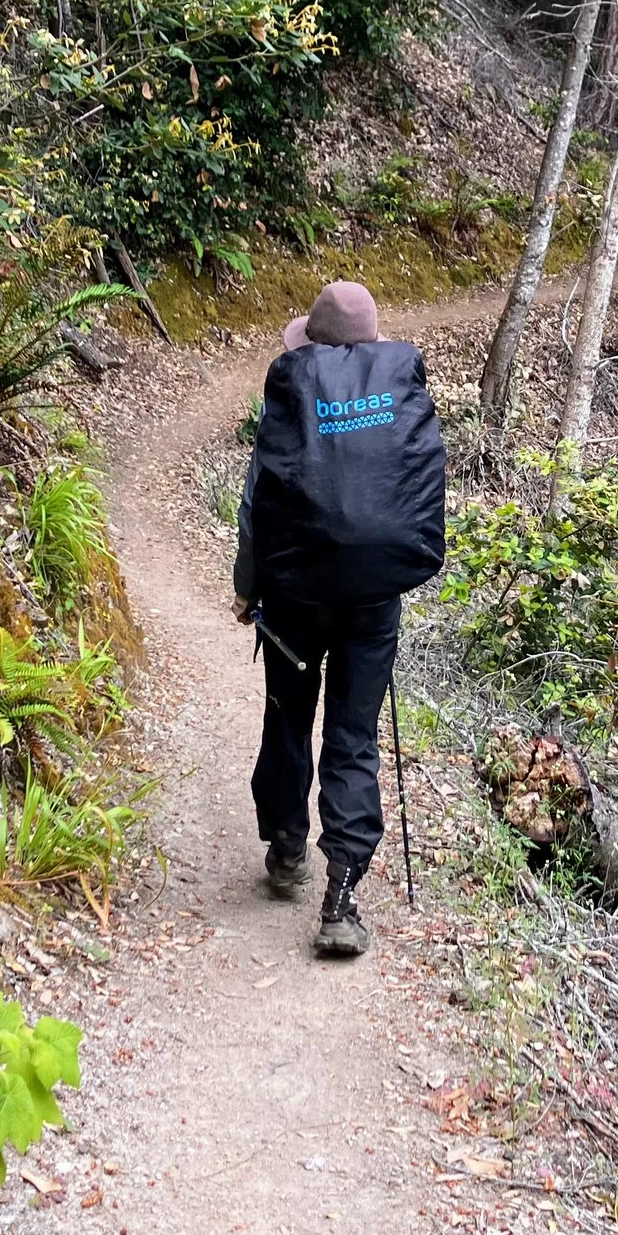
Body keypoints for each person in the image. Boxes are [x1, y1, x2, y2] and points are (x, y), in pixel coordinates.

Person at [231, 281, 446, 956]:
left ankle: (289, 843)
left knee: (289, 715)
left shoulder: (294, 396)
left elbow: (258, 502)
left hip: (296, 597)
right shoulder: (396, 395)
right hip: (374, 600)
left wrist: (248, 589)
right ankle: (342, 898)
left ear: (312, 342)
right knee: (353, 738)